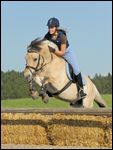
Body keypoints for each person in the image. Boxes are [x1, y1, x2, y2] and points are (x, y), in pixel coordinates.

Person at [44, 17, 86, 99]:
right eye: (49, 27)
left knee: (76, 69)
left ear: (56, 27)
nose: (50, 29)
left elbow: (62, 53)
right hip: (55, 54)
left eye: (52, 27)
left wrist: (53, 50)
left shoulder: (62, 36)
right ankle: (48, 89)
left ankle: (81, 90)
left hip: (66, 52)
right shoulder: (47, 36)